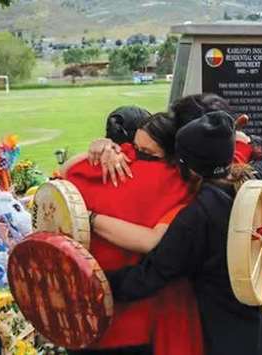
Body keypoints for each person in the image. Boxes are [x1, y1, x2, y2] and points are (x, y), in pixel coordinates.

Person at [102, 111, 262, 355]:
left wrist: (96, 281)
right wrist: (249, 140)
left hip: (234, 337)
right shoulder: (256, 177)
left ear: (185, 166)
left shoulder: (198, 217)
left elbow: (150, 275)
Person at [65, 112, 202, 355]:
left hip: (82, 314)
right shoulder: (181, 185)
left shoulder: (102, 166)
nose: (136, 155)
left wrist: (87, 217)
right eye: (135, 148)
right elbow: (150, 241)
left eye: (146, 154)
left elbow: (62, 178)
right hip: (132, 321)